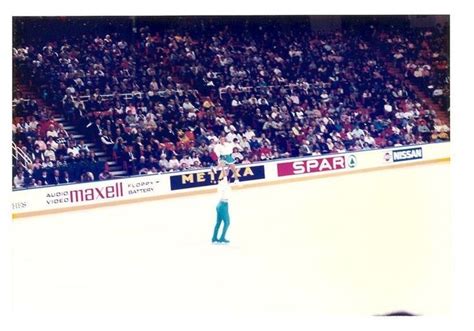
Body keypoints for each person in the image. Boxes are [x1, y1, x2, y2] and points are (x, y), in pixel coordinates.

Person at [212, 168, 232, 244]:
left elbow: (227, 175)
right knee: (227, 222)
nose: (227, 173)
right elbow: (224, 175)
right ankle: (222, 238)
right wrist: (223, 167)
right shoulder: (223, 182)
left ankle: (214, 238)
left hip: (220, 205)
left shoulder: (221, 183)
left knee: (218, 222)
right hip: (223, 205)